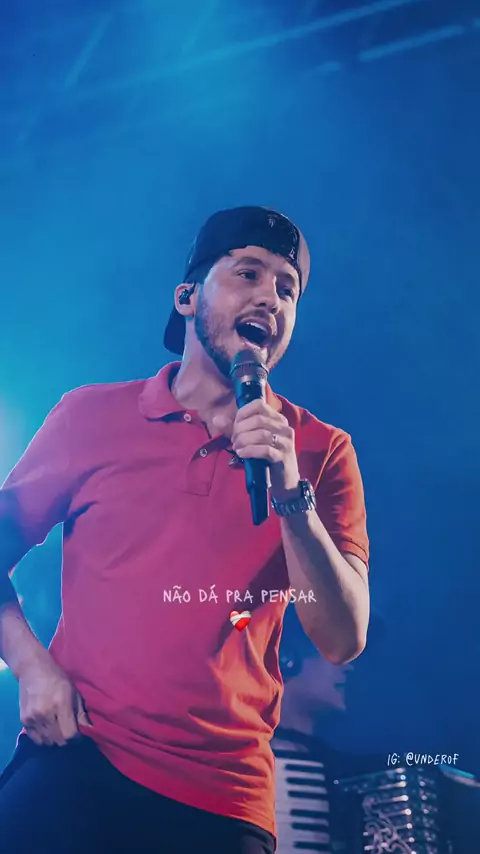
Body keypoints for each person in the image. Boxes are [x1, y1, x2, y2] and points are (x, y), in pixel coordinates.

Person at [0, 206, 370, 853]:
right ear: (187, 296)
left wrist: (290, 493)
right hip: (82, 753)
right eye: (248, 273)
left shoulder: (321, 451)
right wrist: (32, 668)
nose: (270, 298)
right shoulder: (91, 416)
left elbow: (342, 637)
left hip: (222, 798)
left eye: (288, 289)